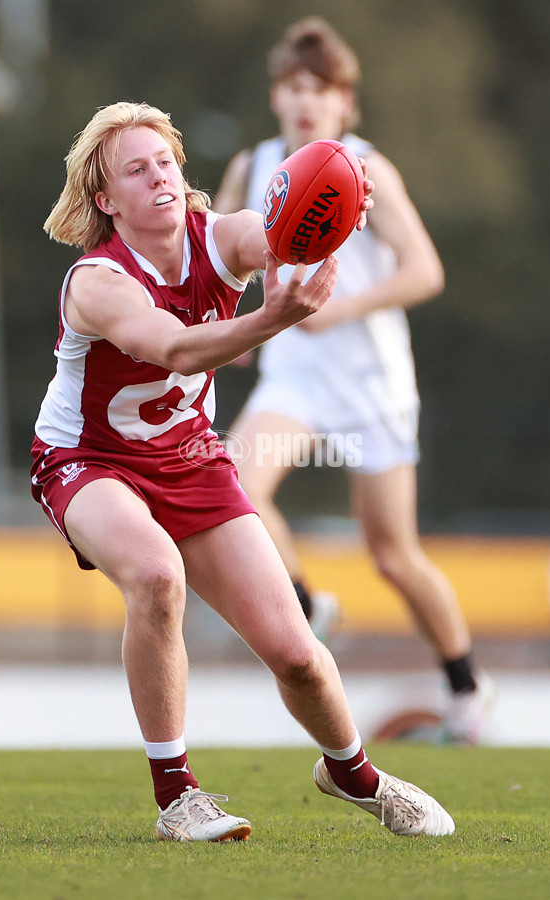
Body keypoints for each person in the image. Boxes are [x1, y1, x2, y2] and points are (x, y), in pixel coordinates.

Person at [30, 100, 455, 842]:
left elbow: (281, 234)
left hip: (190, 456)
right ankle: (179, 797)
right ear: (106, 200)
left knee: (298, 659)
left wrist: (340, 199)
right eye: (137, 169)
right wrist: (273, 319)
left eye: (165, 161)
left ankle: (353, 775)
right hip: (86, 459)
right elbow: (175, 350)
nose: (159, 176)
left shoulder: (219, 238)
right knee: (158, 576)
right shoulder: (97, 282)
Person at [214, 17, 494, 744]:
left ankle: (466, 684)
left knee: (392, 554)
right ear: (276, 96)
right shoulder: (253, 166)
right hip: (296, 376)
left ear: (346, 104)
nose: (307, 101)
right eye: (294, 86)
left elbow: (425, 271)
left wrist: (340, 309)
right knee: (235, 486)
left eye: (323, 89)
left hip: (371, 382)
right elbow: (220, 262)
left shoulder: (366, 168)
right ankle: (307, 607)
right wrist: (229, 330)